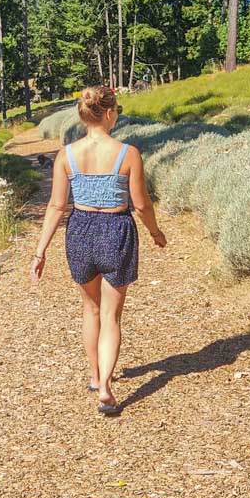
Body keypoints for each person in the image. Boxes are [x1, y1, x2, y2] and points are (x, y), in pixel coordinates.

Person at [29, 85, 167, 415]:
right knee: (111, 315)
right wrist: (155, 232)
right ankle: (105, 385)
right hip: (116, 230)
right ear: (108, 114)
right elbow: (141, 204)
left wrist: (40, 251)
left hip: (80, 231)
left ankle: (94, 376)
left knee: (90, 310)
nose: (117, 114)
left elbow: (56, 206)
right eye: (116, 109)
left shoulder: (67, 155)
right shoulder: (128, 153)